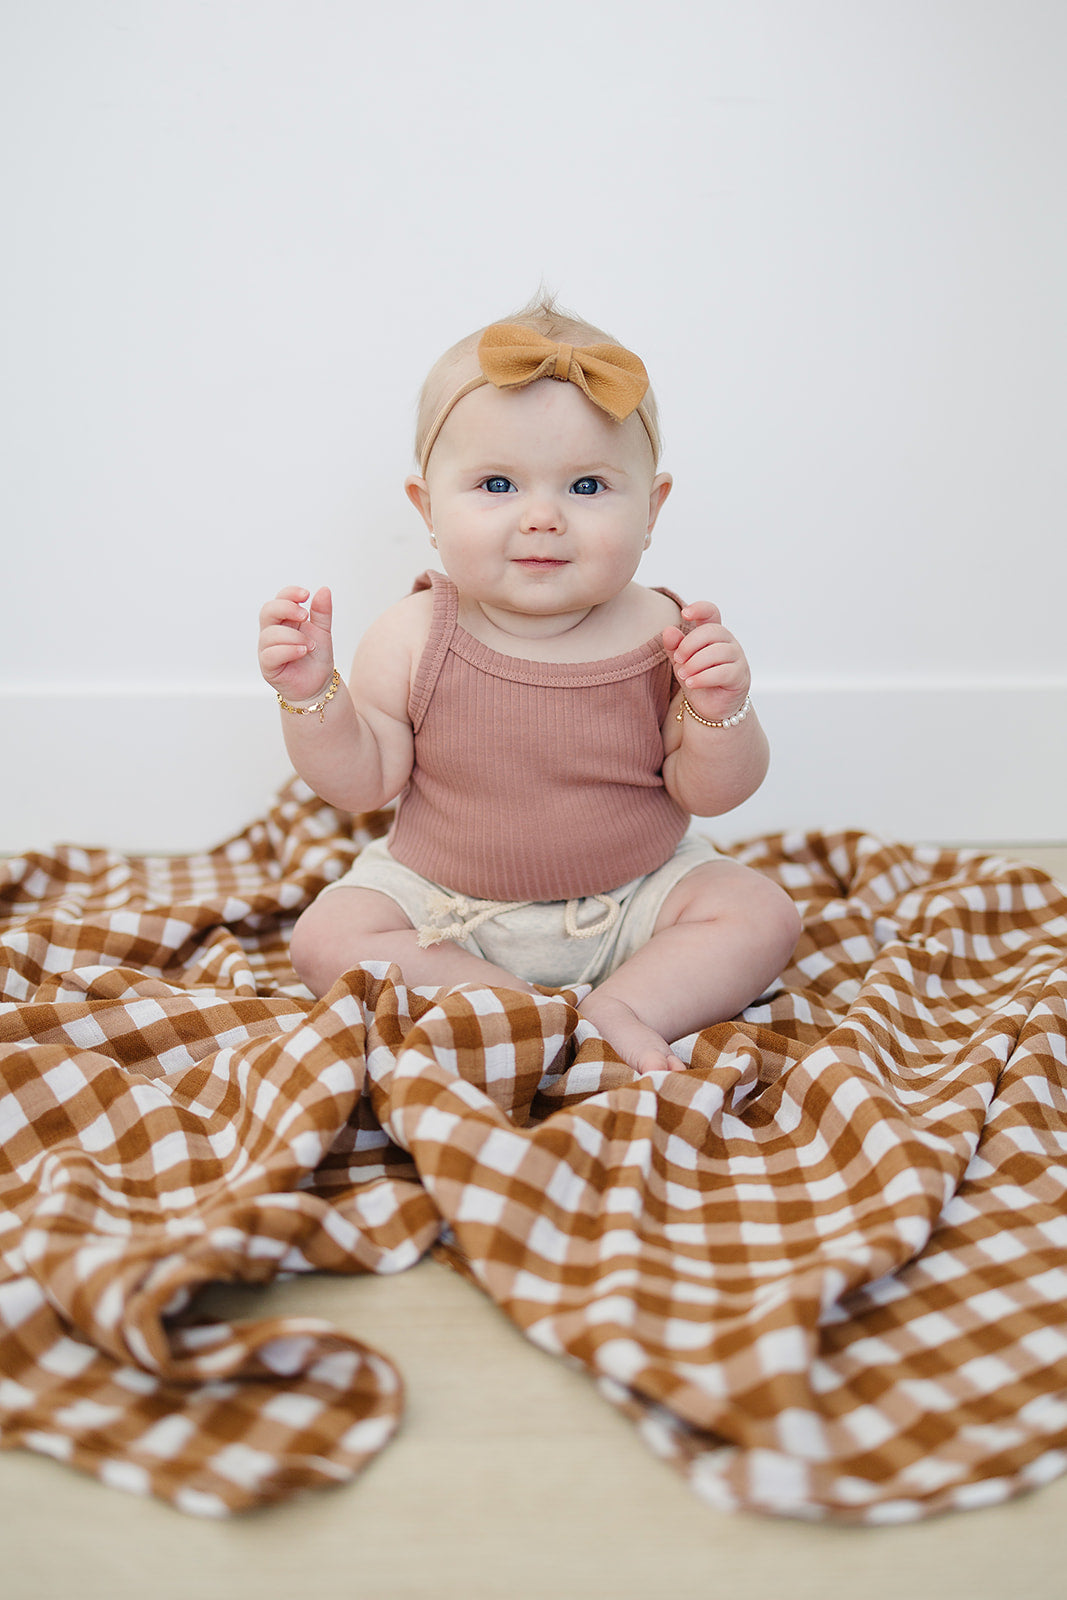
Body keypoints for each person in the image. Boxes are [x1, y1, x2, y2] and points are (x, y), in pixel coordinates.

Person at [257, 296, 801, 1074]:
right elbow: (363, 783)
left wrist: (720, 712)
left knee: (760, 914)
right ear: (428, 508)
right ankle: (506, 1002)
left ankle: (628, 1003)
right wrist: (312, 695)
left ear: (651, 508)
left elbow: (710, 793)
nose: (542, 517)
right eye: (497, 484)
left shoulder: (665, 631)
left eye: (585, 487)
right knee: (326, 938)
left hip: (635, 896)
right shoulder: (414, 632)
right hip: (446, 909)